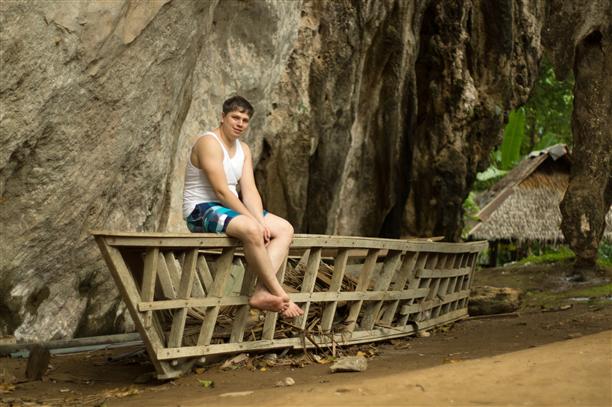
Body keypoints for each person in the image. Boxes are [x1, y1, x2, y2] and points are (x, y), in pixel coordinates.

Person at [183, 96, 303, 318]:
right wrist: (253, 222)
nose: (240, 123)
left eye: (245, 120)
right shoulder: (208, 142)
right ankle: (279, 293)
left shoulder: (244, 149)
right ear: (223, 117)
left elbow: (249, 190)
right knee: (252, 228)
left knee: (285, 229)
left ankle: (261, 292)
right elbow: (221, 191)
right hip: (201, 209)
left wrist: (258, 218)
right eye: (235, 117)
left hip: (230, 209)